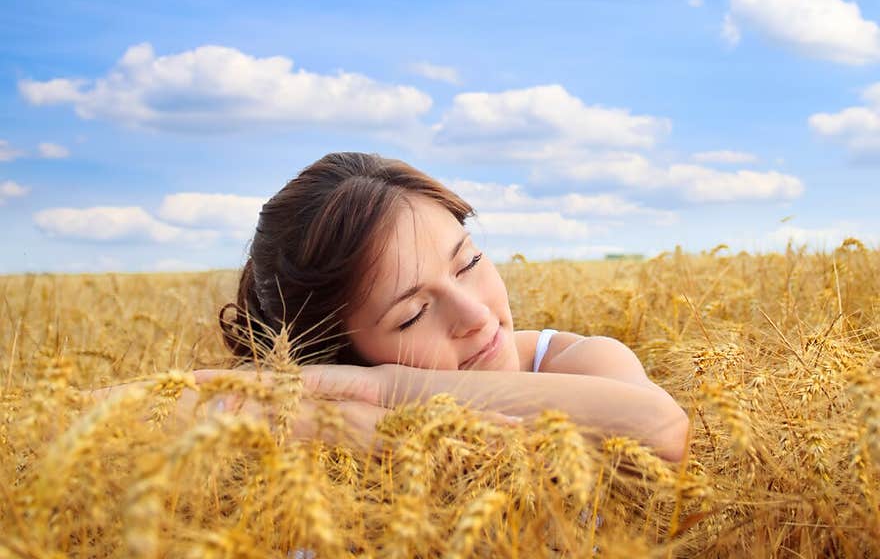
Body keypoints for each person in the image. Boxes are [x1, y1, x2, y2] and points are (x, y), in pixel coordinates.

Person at [197, 151, 690, 462]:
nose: (475, 316)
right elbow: (126, 411)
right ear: (339, 352)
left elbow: (661, 427)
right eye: (411, 313)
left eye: (469, 262)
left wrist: (395, 387)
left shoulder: (575, 360)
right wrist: (327, 419)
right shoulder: (337, 430)